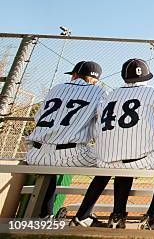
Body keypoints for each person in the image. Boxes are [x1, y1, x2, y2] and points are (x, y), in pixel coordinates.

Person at [72, 58, 154, 229]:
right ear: (146, 76)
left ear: (123, 76)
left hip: (105, 157)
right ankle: (152, 216)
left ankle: (117, 215)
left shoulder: (109, 94)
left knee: (121, 160)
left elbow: (99, 125)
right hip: (140, 158)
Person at [26, 61, 105, 224]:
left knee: (49, 167)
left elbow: (37, 117)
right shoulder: (98, 91)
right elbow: (101, 125)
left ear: (75, 75)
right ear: (95, 79)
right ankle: (83, 216)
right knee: (111, 163)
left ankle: (45, 215)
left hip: (35, 153)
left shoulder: (56, 88)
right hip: (69, 153)